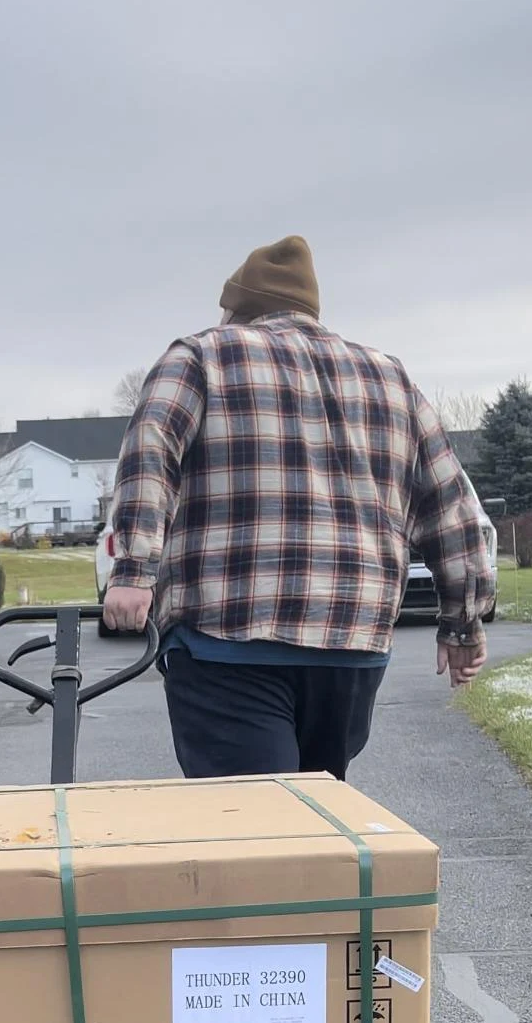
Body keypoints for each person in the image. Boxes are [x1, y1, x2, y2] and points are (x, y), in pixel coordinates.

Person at [103, 236, 496, 781]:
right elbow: (450, 506)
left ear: (237, 309)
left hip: (228, 639)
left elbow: (150, 453)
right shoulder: (390, 377)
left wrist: (133, 571)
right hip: (351, 648)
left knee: (256, 830)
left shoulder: (201, 357)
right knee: (314, 823)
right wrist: (463, 624)